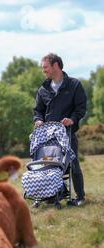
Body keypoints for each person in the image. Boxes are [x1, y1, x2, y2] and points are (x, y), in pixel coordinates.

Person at [34, 53, 87, 206]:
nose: (43, 71)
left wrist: (72, 119)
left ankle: (80, 197)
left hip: (67, 133)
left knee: (73, 164)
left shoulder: (74, 85)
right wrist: (38, 120)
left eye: (45, 67)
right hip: (47, 136)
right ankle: (47, 195)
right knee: (46, 164)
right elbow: (38, 110)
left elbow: (81, 108)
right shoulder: (43, 89)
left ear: (55, 65)